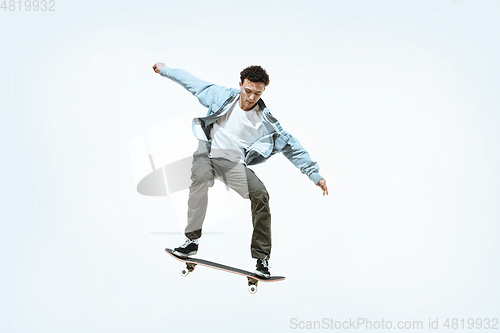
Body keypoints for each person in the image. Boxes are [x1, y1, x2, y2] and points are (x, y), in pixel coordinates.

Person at [152, 63, 328, 278]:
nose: (251, 97)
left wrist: (314, 174)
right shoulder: (222, 96)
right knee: (201, 178)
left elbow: (292, 147)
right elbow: (192, 83)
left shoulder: (267, 122)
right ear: (240, 85)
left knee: (260, 195)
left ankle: (262, 259)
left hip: (232, 165)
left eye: (257, 93)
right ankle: (191, 241)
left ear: (263, 91)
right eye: (247, 91)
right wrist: (164, 69)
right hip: (207, 154)